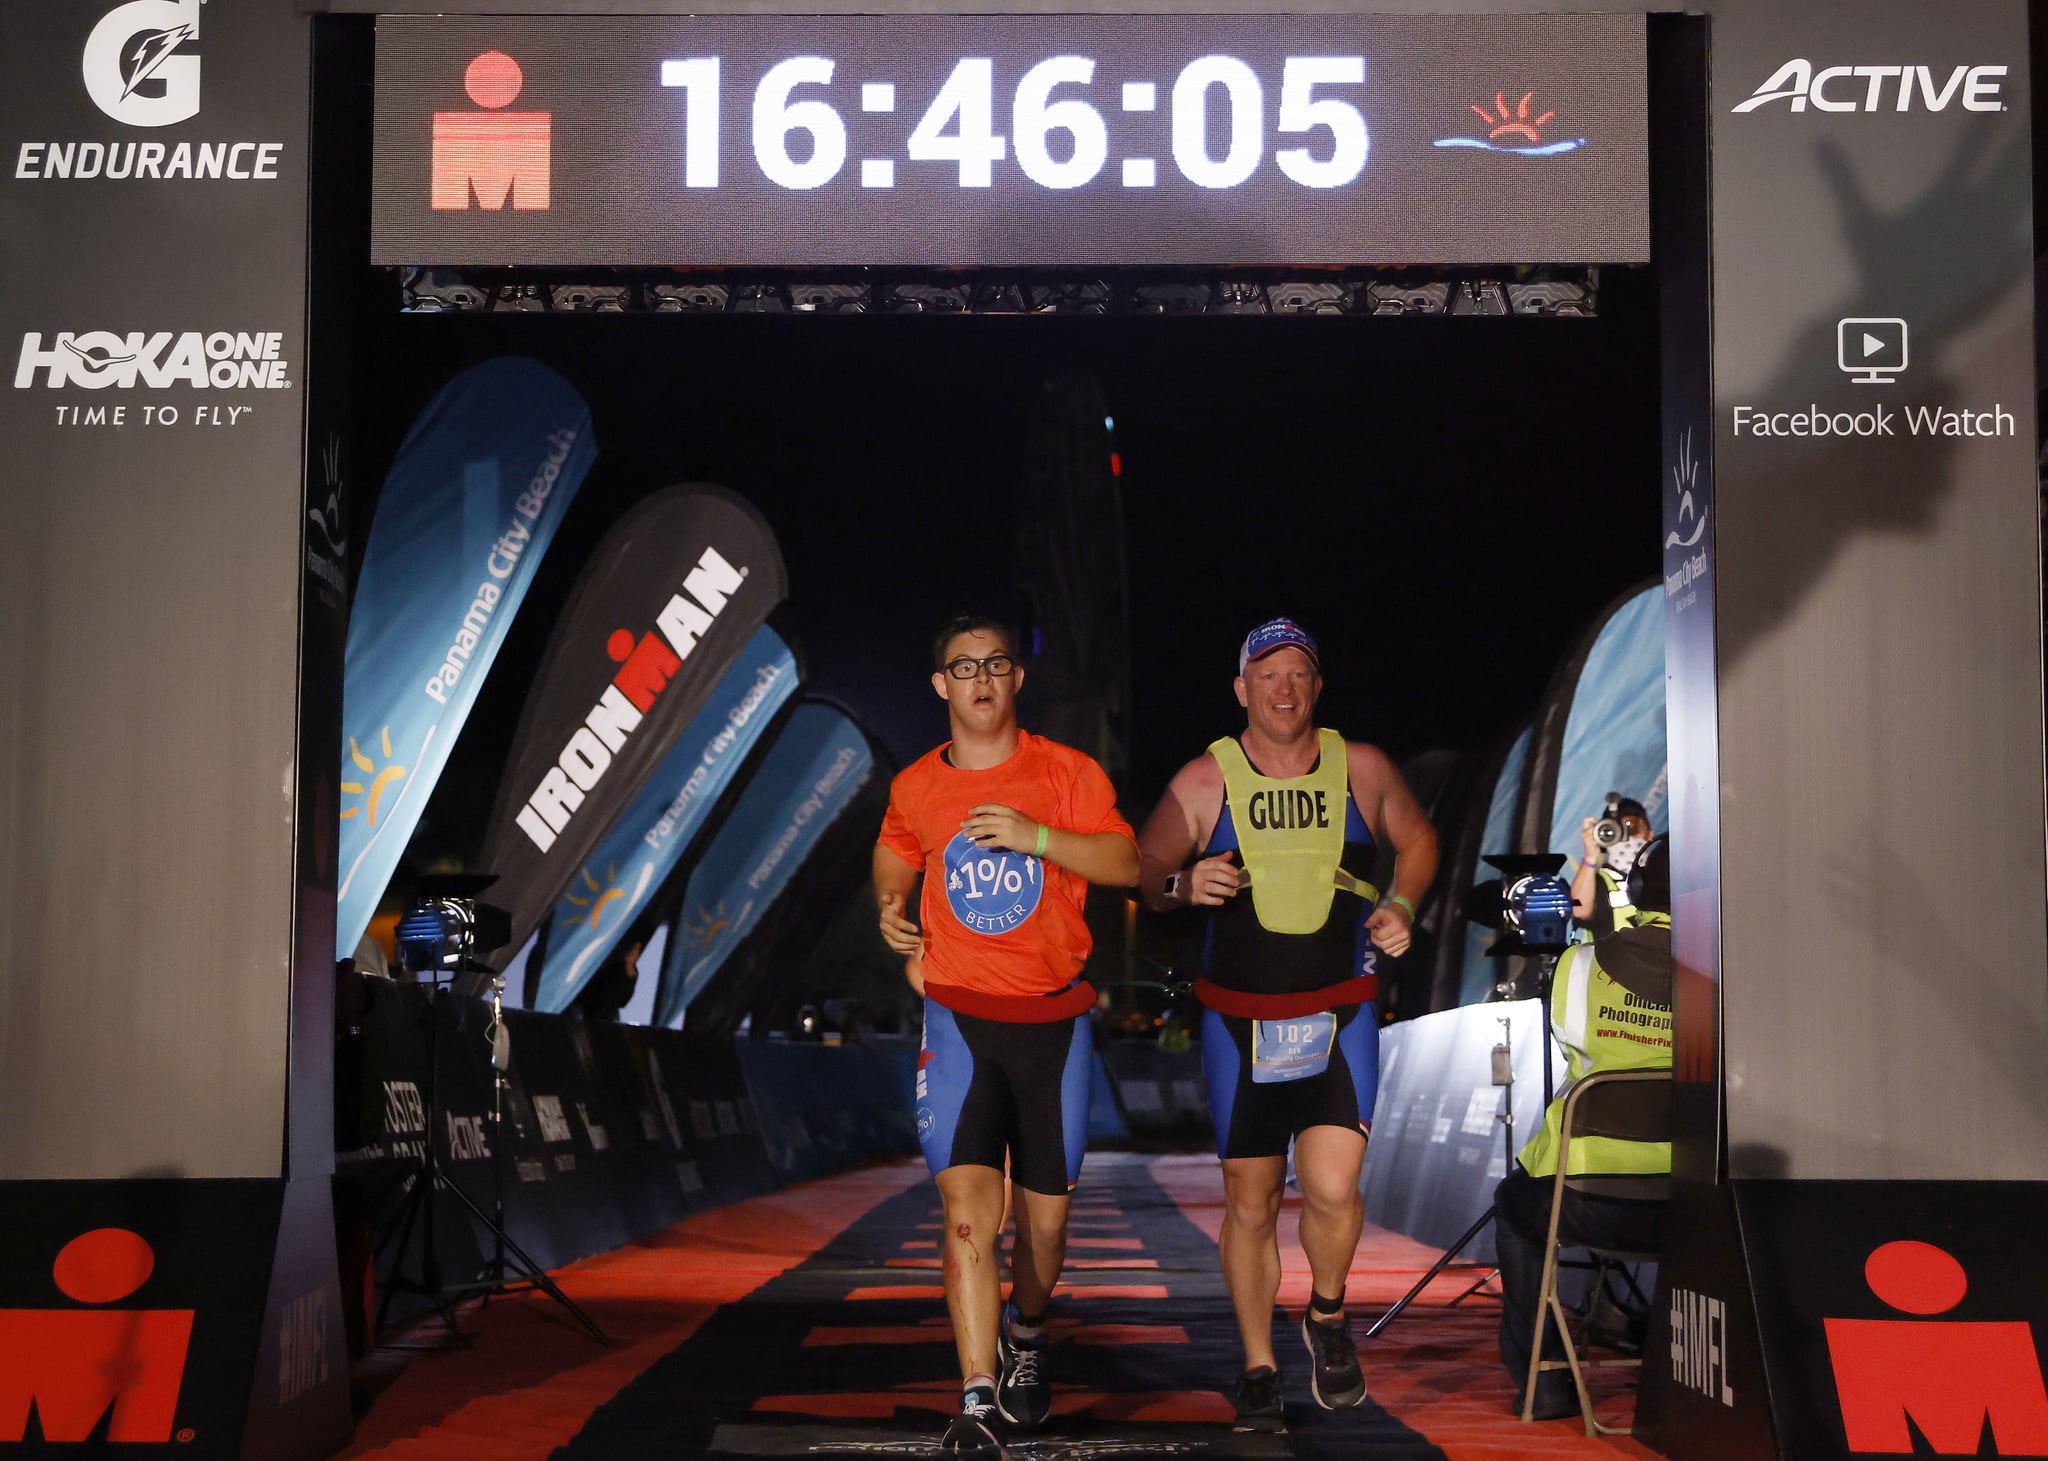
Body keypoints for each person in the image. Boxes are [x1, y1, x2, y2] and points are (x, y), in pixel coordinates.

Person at [1136, 618, 1438, 1431]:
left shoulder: (1362, 767)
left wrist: (1403, 902)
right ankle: (1260, 1365)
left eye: (1299, 673)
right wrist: (1180, 883)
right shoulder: (1206, 777)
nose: (1284, 688)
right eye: (1268, 674)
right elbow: (1144, 867)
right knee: (1254, 1199)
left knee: (1336, 1187)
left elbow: (1417, 840)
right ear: (1241, 689)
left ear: (1318, 687)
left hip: (1341, 1014)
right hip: (1241, 1024)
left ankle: (1329, 1316)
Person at [874, 613, 1140, 1459]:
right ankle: (977, 1395)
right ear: (940, 685)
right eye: (963, 666)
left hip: (1052, 1025)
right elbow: (895, 851)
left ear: (1016, 679)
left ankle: (1028, 1333)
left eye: (995, 664)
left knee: (1046, 1228)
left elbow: (1127, 864)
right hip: (957, 1021)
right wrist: (890, 910)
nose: (981, 678)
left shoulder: (1067, 772)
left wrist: (1038, 838)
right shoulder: (917, 784)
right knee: (966, 1218)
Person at [1493, 835, 1673, 1420]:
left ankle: (1544, 1385)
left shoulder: (1581, 964)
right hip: (1699, 1207)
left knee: (1513, 1207)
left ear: (1638, 888)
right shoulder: (1730, 968)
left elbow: (1573, 1046)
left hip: (1587, 1199)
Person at [1569, 795, 1654, 937]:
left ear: (1650, 835)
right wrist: (1590, 856)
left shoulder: (1664, 873)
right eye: (1616, 832)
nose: (1627, 838)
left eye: (1633, 828)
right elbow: (1579, 910)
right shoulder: (1597, 882)